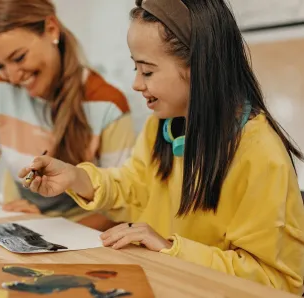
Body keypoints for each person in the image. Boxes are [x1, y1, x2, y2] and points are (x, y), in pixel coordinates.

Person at [19, 0, 304, 294]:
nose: (136, 83)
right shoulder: (163, 126)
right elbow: (135, 188)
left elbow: (276, 282)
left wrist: (170, 248)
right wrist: (75, 177)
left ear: (197, 66)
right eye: (135, 68)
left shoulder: (261, 154)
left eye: (147, 71)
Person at [0, 0, 136, 231]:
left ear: (51, 29)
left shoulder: (107, 104)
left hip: (82, 241)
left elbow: (122, 208)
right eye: (0, 66)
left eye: (19, 58)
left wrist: (45, 226)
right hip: (17, 229)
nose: (12, 77)